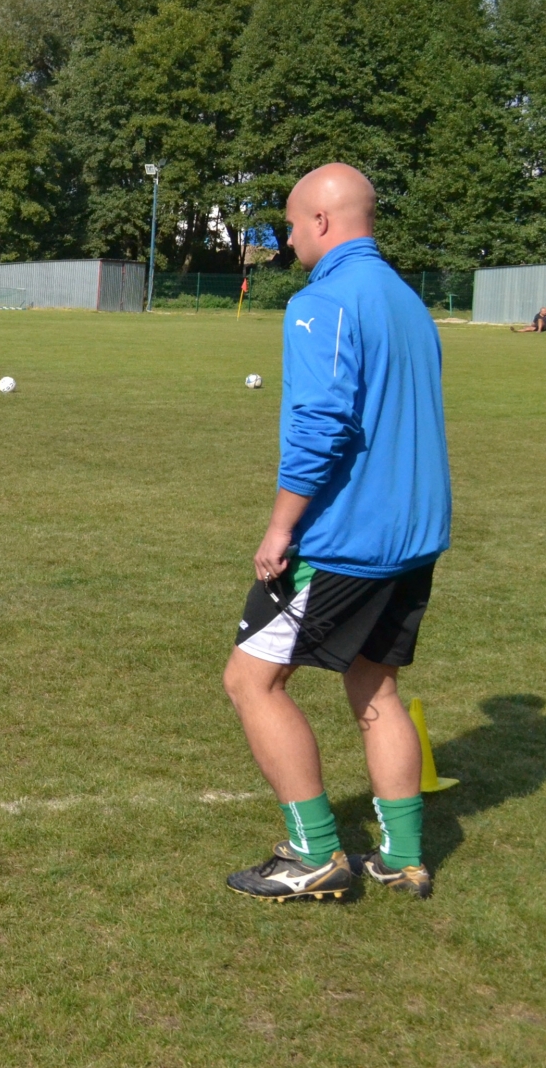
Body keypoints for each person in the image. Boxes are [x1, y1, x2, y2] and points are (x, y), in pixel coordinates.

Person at [222, 163, 451, 902]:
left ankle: (314, 853)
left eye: (291, 226)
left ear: (321, 221)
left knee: (251, 681)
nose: (289, 241)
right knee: (374, 682)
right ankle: (403, 857)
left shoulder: (323, 301)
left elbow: (322, 427)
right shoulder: (408, 300)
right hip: (415, 536)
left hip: (346, 539)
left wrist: (279, 526)